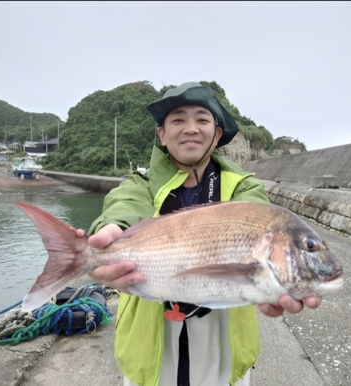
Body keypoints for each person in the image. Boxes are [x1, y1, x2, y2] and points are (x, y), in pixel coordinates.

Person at [86, 82, 321, 386]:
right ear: (162, 134)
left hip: (223, 334)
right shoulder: (140, 184)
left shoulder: (243, 187)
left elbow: (263, 217)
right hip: (151, 329)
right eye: (178, 120)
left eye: (202, 119)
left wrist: (283, 272)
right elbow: (124, 205)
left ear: (217, 133)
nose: (191, 128)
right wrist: (111, 230)